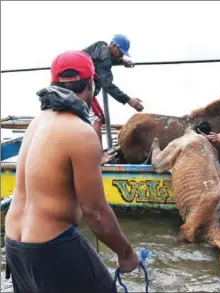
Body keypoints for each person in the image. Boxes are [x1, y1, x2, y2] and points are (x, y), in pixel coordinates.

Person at [5, 50, 139, 293]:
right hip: (50, 246)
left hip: (14, 245)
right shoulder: (80, 132)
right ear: (91, 84)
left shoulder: (37, 122)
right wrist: (126, 253)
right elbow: (96, 212)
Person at [83, 34, 144, 162]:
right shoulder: (104, 58)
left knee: (98, 117)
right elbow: (107, 84)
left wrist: (121, 61)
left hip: (83, 87)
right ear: (114, 46)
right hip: (80, 90)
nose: (122, 55)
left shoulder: (100, 47)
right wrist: (128, 100)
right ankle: (99, 156)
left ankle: (89, 150)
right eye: (121, 52)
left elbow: (101, 60)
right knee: (96, 121)